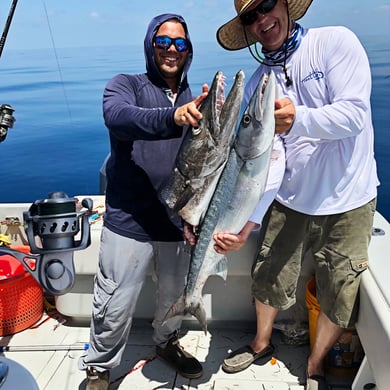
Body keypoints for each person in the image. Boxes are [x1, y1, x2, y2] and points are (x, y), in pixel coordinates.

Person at [214, 1, 379, 389]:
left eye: (266, 6)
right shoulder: (257, 83)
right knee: (268, 275)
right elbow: (265, 162)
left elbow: (355, 114)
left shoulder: (335, 42)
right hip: (288, 198)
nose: (261, 20)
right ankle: (260, 342)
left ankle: (316, 363)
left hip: (349, 199)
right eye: (250, 17)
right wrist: (247, 225)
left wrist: (298, 119)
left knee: (339, 289)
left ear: (286, 5)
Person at [78, 13, 208, 390]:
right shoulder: (126, 85)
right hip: (129, 218)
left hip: (177, 220)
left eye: (180, 43)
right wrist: (173, 117)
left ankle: (166, 342)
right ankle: (100, 366)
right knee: (114, 304)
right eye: (163, 41)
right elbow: (118, 118)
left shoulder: (195, 99)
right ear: (151, 45)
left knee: (173, 297)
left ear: (188, 51)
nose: (171, 49)